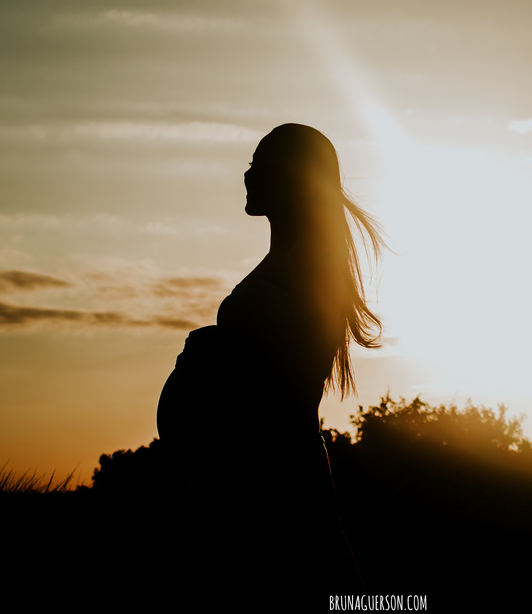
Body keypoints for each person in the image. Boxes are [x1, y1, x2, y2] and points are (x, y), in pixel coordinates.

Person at [157, 123, 384, 590]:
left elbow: (280, 385)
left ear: (299, 180)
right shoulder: (292, 261)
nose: (248, 175)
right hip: (247, 489)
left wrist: (209, 349)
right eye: (250, 164)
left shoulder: (307, 266)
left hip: (274, 493)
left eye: (261, 165)